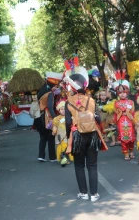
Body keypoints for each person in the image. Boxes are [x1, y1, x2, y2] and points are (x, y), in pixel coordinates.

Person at [65, 65, 107, 202]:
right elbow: (98, 118)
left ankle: (83, 193)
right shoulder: (92, 100)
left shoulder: (68, 102)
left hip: (77, 135)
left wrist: (68, 138)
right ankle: (94, 194)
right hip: (92, 134)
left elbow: (67, 122)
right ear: (85, 85)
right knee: (92, 165)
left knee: (79, 165)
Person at [36, 72, 63, 162]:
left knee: (43, 137)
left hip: (39, 117)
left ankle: (41, 156)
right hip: (47, 117)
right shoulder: (50, 94)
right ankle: (52, 157)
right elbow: (50, 107)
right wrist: (55, 118)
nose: (56, 88)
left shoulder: (41, 92)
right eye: (55, 86)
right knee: (51, 137)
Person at [113, 76, 136, 160]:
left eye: (124, 92)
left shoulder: (131, 102)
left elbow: (133, 112)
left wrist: (135, 121)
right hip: (121, 121)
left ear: (127, 92)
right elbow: (116, 112)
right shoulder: (116, 102)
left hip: (129, 120)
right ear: (118, 93)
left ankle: (131, 151)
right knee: (123, 137)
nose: (122, 94)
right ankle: (125, 152)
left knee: (131, 137)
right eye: (120, 92)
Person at [52, 100, 73, 166]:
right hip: (60, 136)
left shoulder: (70, 117)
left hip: (68, 135)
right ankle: (63, 159)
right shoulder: (56, 119)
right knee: (61, 147)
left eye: (64, 109)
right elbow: (55, 126)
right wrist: (54, 131)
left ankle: (67, 158)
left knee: (68, 146)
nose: (63, 110)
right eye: (61, 109)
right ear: (59, 110)